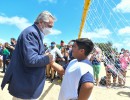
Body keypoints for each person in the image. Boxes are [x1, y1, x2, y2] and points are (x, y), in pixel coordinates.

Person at [1, 11, 55, 100]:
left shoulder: (35, 32)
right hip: (25, 86)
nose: (51, 29)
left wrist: (42, 55)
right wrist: (47, 58)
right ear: (41, 23)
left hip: (26, 85)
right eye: (50, 26)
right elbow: (31, 60)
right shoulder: (32, 33)